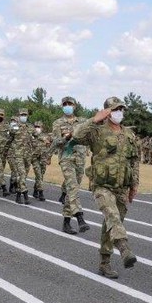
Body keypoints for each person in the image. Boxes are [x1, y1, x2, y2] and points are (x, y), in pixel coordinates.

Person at [68, 96, 138, 279]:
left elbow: (134, 161)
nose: (119, 113)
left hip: (121, 187)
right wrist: (94, 120)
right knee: (112, 216)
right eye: (115, 109)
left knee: (112, 222)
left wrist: (134, 184)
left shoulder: (129, 134)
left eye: (121, 109)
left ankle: (104, 263)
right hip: (102, 186)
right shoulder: (96, 131)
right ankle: (124, 248)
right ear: (107, 112)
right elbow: (76, 135)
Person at [51, 96, 89, 234]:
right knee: (72, 186)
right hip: (66, 158)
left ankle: (66, 222)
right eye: (65, 104)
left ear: (75, 106)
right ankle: (80, 218)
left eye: (70, 103)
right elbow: (56, 142)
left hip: (80, 159)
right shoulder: (57, 123)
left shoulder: (83, 122)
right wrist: (66, 137)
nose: (67, 106)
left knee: (71, 190)